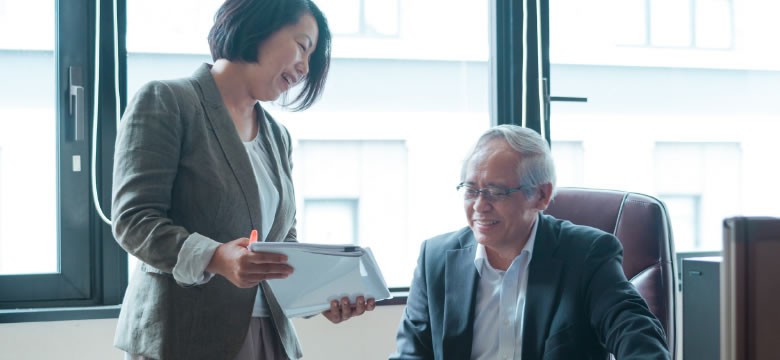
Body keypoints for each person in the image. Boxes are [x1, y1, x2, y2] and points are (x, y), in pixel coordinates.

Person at [111, 1, 375, 359]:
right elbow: (133, 220)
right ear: (259, 25)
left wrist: (317, 295)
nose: (304, 68)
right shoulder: (168, 101)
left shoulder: (277, 137)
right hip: (185, 337)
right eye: (302, 45)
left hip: (270, 337)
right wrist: (216, 257)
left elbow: (283, 242)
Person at [390, 125, 670, 360]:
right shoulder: (436, 259)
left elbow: (638, 339)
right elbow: (411, 355)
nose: (479, 206)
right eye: (471, 190)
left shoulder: (587, 256)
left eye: (496, 192)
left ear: (541, 195)